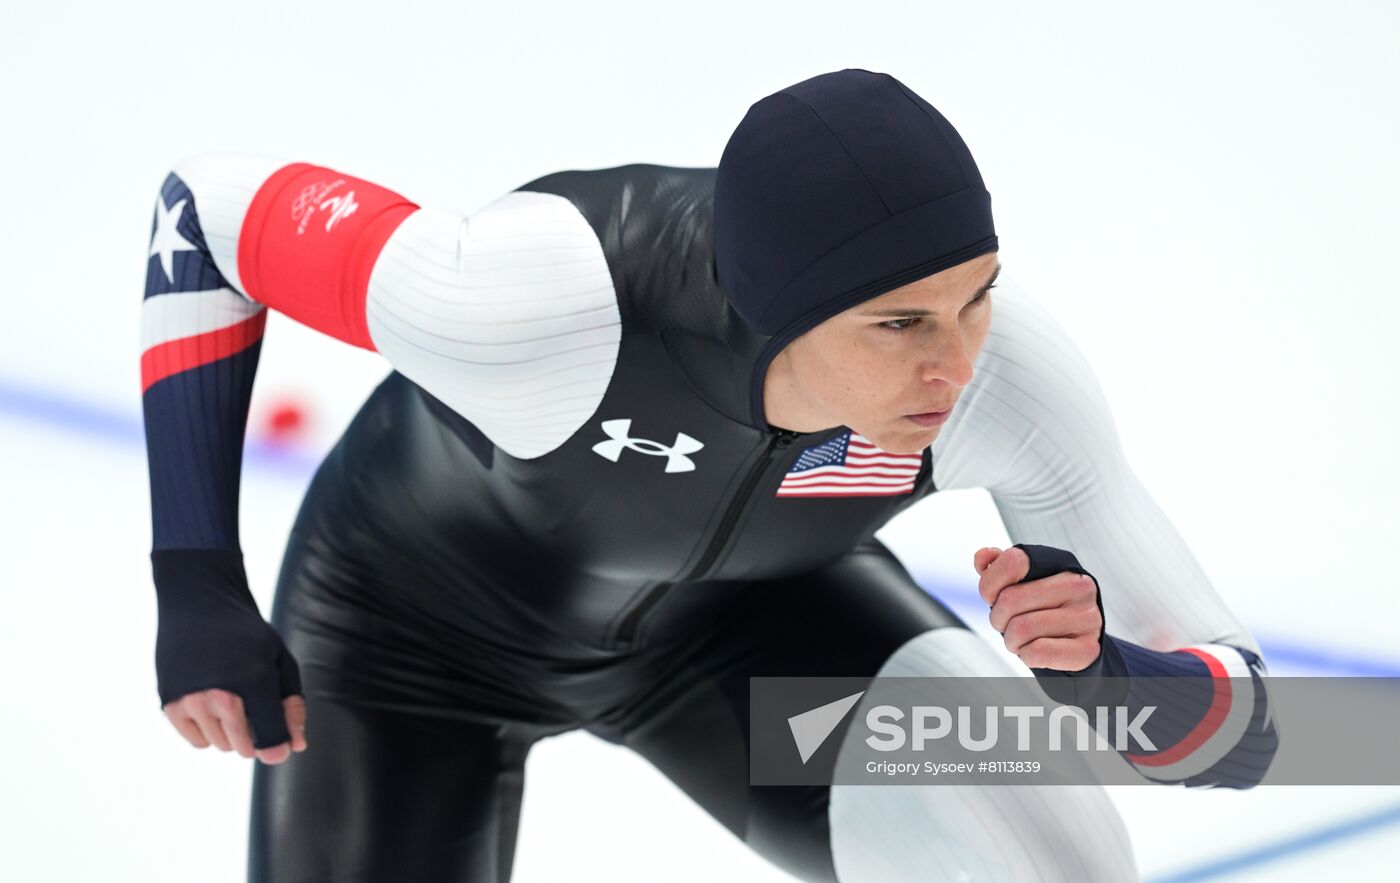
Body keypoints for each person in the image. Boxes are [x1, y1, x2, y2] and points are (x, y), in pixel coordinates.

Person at [140, 68, 1277, 882]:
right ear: (763, 311)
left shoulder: (1006, 384)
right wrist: (193, 573)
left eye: (978, 293)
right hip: (411, 644)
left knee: (1050, 865)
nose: (957, 362)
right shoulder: (533, 301)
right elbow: (208, 211)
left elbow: (1255, 733)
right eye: (898, 322)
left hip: (744, 634)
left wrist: (1101, 676)